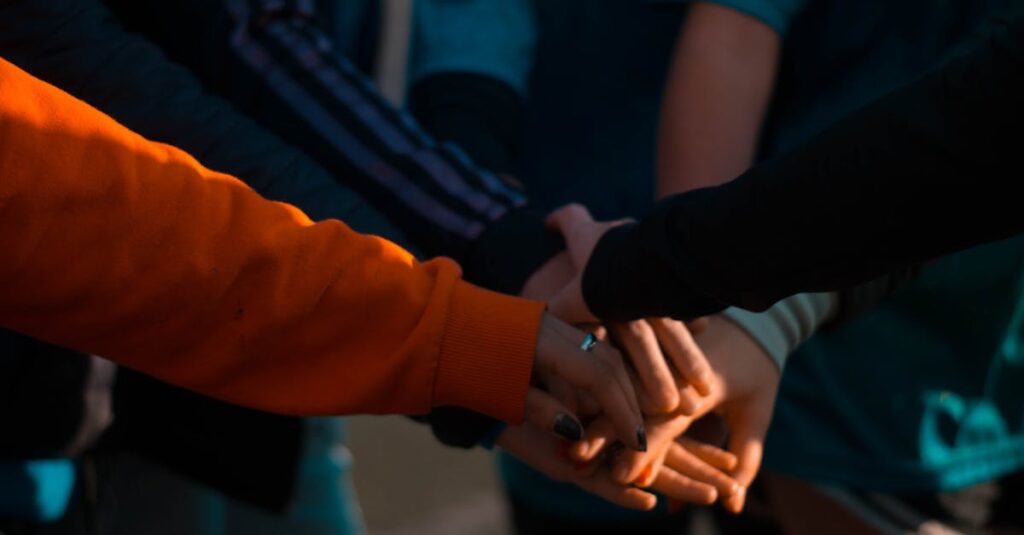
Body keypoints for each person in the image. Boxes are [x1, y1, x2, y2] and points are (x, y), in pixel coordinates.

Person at [0, 55, 647, 446]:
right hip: (126, 398)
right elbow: (71, 188)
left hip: (238, 363)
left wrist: (461, 321)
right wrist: (452, 315)